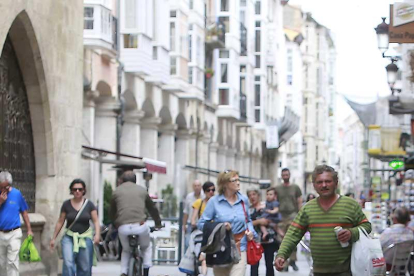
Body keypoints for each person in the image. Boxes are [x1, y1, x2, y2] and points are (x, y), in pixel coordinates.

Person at [274, 165, 372, 276]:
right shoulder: (308, 208)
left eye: (328, 181)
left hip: (347, 271)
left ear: (336, 183)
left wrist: (351, 233)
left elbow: (367, 226)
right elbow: (293, 234)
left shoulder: (350, 204)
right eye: (319, 182)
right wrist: (281, 255)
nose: (324, 185)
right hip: (318, 271)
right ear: (314, 185)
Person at [198, 170, 256, 276]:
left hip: (240, 247)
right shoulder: (214, 201)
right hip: (221, 248)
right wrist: (221, 227)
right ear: (225, 184)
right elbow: (201, 223)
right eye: (234, 180)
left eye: (238, 180)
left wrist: (251, 231)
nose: (238, 183)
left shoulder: (244, 200)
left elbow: (248, 220)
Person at [109, 171, 162, 276]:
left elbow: (111, 211)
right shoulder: (142, 190)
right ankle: (146, 270)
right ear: (136, 180)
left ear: (122, 180)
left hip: (123, 227)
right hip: (140, 226)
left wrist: (115, 222)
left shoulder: (116, 191)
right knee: (146, 247)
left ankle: (124, 272)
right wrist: (158, 223)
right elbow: (152, 209)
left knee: (126, 250)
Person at [50, 178, 100, 276]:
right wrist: (53, 238)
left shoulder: (89, 205)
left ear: (84, 190)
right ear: (71, 191)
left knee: (85, 267)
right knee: (68, 264)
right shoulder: (66, 204)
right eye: (75, 189)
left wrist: (97, 234)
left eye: (80, 189)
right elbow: (60, 221)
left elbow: (95, 221)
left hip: (85, 238)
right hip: (69, 237)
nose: (77, 191)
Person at [0, 171, 33, 276]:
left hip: (14, 233)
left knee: (12, 262)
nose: (3, 190)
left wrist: (29, 229)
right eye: (1, 187)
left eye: (6, 187)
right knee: (1, 263)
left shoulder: (16, 194)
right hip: (0, 233)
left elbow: (24, 212)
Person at [274, 168, 303, 271]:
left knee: (293, 240)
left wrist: (300, 215)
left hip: (292, 215)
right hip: (281, 217)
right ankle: (284, 263)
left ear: (289, 175)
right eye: (283, 175)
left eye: (287, 174)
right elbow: (274, 201)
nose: (285, 176)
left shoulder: (295, 187)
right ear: (281, 176)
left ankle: (293, 261)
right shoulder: (277, 188)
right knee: (282, 241)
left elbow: (299, 200)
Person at [248, 189, 279, 276]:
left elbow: (275, 219)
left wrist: (268, 221)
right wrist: (258, 222)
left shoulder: (267, 206)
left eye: (254, 194)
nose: (252, 197)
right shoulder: (248, 210)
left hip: (269, 238)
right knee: (254, 264)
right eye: (250, 195)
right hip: (255, 240)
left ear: (258, 195)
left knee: (269, 264)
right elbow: (246, 223)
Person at [190, 181, 215, 276]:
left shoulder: (218, 203)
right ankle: (203, 273)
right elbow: (194, 217)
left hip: (215, 232)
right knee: (200, 253)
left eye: (213, 190)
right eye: (209, 190)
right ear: (204, 191)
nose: (211, 192)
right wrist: (193, 223)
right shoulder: (199, 202)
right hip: (204, 232)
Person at [183, 179, 204, 251]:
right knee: (187, 243)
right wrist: (184, 224)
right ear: (193, 187)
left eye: (198, 186)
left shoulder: (204, 197)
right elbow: (186, 212)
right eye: (195, 186)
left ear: (201, 187)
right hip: (190, 224)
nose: (197, 187)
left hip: (201, 224)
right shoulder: (189, 197)